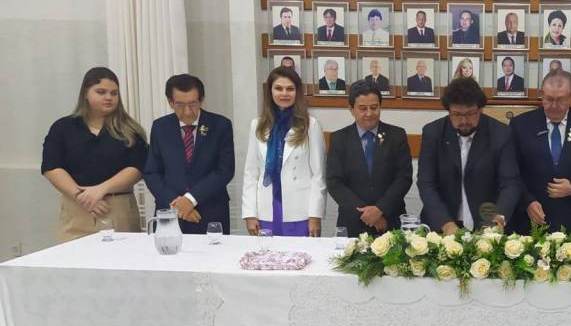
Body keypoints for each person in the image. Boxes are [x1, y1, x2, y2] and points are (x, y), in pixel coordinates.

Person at [42, 67, 148, 242]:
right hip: (76, 209)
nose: (109, 97)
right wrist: (82, 197)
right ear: (85, 93)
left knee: (122, 256)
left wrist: (100, 190)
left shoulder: (130, 130)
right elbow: (51, 167)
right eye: (101, 92)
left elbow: (137, 168)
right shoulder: (63, 127)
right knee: (74, 258)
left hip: (118, 207)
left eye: (114, 93)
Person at [510, 70, 571, 240]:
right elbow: (511, 171)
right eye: (548, 99)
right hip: (531, 221)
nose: (554, 106)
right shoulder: (520, 125)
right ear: (541, 95)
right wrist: (527, 201)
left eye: (560, 100)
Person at [417, 77, 520, 234]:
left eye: (471, 113)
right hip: (443, 224)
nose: (464, 121)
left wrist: (498, 218)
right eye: (457, 114)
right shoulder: (433, 133)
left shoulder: (501, 134)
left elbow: (510, 183)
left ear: (480, 109)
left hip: (487, 225)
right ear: (448, 111)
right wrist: (446, 224)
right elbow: (426, 183)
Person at [144, 74, 234, 235]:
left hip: (210, 211)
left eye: (193, 104)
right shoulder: (160, 127)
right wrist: (178, 205)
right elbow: (152, 172)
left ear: (201, 100)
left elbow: (224, 170)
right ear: (170, 102)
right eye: (180, 105)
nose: (187, 111)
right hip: (170, 212)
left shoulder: (220, 125)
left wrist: (190, 199)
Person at [242, 67, 326, 237]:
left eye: (290, 89)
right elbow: (251, 173)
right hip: (266, 208)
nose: (284, 93)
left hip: (300, 210)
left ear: (297, 92)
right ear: (270, 91)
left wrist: (315, 215)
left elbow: (318, 175)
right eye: (278, 88)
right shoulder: (257, 125)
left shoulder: (311, 125)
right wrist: (250, 213)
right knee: (267, 253)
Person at [325, 81, 413, 236]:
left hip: (390, 220)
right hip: (352, 222)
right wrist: (367, 215)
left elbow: (403, 178)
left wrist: (380, 210)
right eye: (363, 108)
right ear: (351, 109)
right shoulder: (339, 139)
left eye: (374, 107)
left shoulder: (396, 135)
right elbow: (334, 182)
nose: (369, 113)